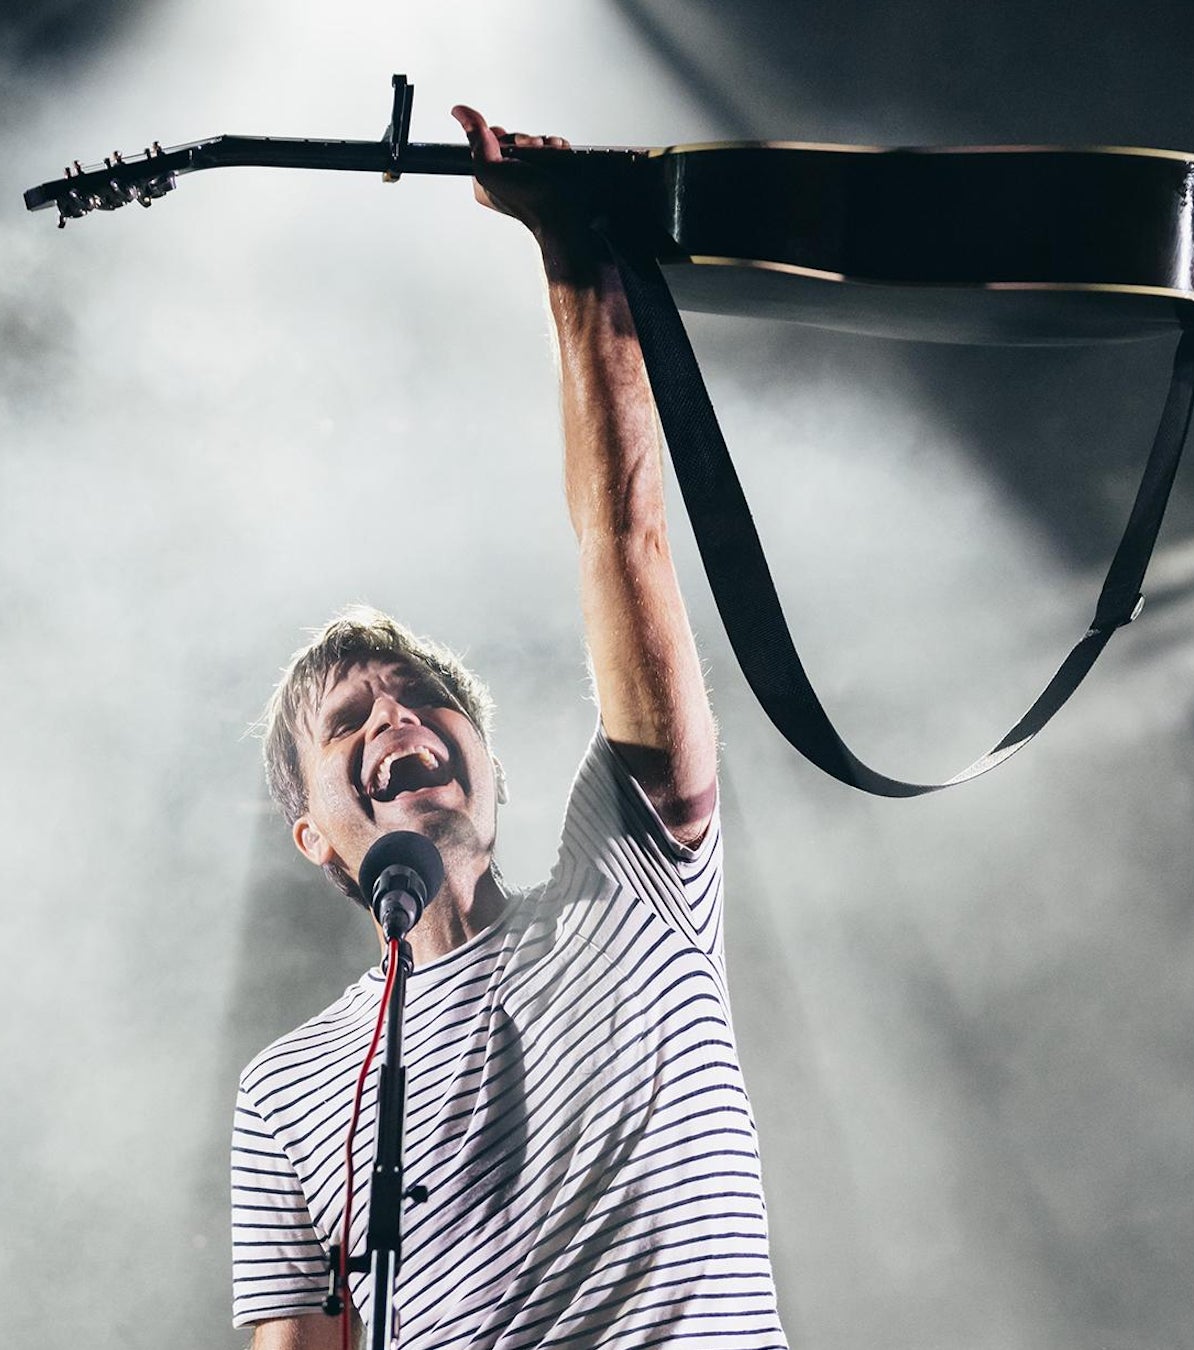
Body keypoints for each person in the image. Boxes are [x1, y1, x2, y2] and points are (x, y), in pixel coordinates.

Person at [229, 105, 786, 1349]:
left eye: (425, 696)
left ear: (494, 771)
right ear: (314, 833)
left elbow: (624, 543)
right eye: (348, 719)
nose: (397, 712)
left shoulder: (633, 887)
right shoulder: (285, 1097)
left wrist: (576, 264)